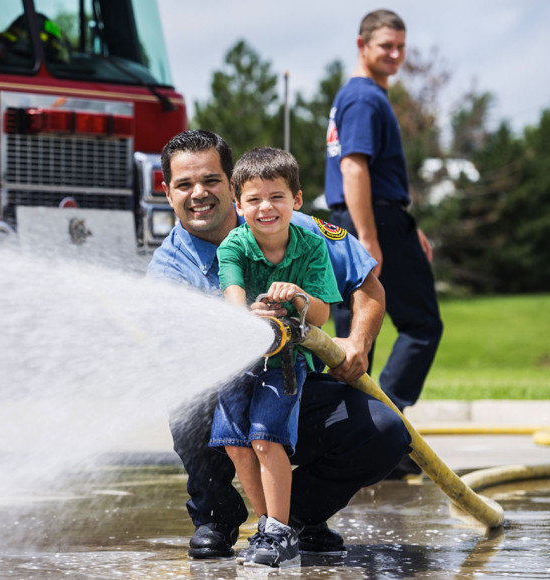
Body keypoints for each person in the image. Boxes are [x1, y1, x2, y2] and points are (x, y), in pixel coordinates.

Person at [147, 129, 410, 561]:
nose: (199, 194)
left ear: (231, 183)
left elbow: (367, 286)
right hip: (221, 395)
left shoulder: (295, 228)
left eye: (211, 181)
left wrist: (359, 343)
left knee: (385, 432)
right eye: (184, 184)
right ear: (167, 190)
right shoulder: (168, 269)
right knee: (186, 401)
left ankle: (295, 519)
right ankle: (216, 515)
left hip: (292, 383)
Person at [211, 147, 342, 568]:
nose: (265, 207)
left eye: (276, 196)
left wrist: (299, 296)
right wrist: (246, 314)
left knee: (266, 439)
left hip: (285, 360)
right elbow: (232, 297)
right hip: (236, 360)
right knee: (237, 446)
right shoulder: (233, 245)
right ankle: (267, 526)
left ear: (297, 200)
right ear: (238, 205)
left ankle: (280, 533)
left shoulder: (311, 246)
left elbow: (322, 314)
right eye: (253, 199)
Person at [324, 10, 443, 421]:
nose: (395, 54)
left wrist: (412, 227)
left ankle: (351, 439)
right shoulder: (364, 97)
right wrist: (370, 237)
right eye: (385, 46)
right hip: (371, 222)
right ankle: (384, 426)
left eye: (400, 47)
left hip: (358, 219)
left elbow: (372, 173)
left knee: (356, 335)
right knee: (421, 326)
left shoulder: (356, 95)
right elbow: (353, 167)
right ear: (362, 45)